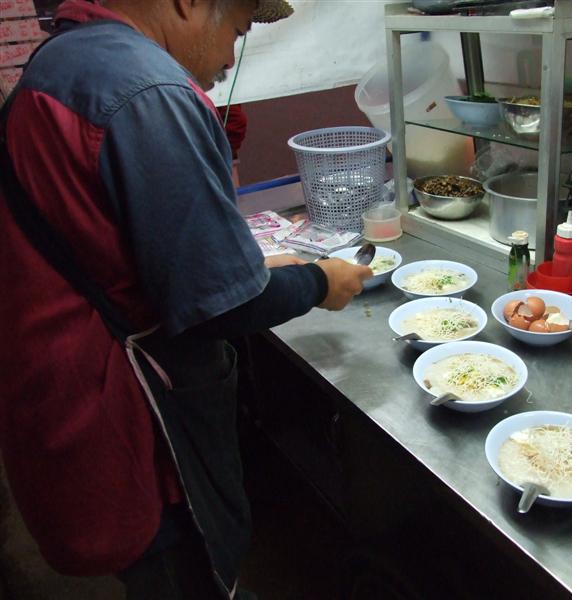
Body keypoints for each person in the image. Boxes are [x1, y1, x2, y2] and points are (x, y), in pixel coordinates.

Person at [0, 1, 373, 598]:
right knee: (182, 574)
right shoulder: (149, 91)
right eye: (237, 31)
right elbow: (225, 306)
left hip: (56, 392)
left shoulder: (67, 58)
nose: (229, 57)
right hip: (127, 419)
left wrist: (249, 267)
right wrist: (322, 282)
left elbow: (126, 246)